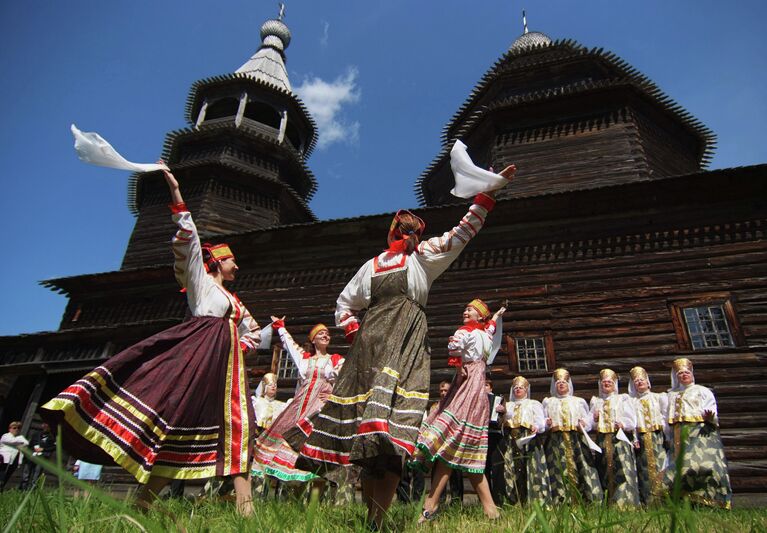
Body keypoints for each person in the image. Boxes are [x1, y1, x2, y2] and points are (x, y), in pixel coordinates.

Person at [297, 162, 515, 529]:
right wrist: (358, 337)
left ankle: (377, 519)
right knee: (368, 435)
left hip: (409, 348)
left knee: (395, 432)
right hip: (370, 350)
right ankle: (373, 520)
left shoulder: (424, 258)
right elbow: (344, 306)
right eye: (404, 227)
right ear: (394, 231)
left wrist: (486, 196)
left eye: (414, 228)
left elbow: (461, 233)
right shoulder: (373, 266)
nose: (409, 232)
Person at [42, 166, 261, 516]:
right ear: (218, 262)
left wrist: (234, 347)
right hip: (196, 361)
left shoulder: (235, 303)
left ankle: (246, 510)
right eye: (233, 260)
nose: (238, 266)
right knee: (178, 425)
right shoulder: (201, 284)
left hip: (225, 370)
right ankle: (144, 503)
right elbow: (189, 240)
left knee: (239, 427)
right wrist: (175, 192)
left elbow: (254, 332)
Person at [412, 300, 505, 521]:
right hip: (471, 383)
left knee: (458, 444)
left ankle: (433, 505)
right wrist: (457, 365)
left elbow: (483, 330)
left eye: (470, 310)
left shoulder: (478, 332)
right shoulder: (474, 332)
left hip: (472, 386)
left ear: (480, 316)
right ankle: (489, 509)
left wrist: (497, 315)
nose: (465, 311)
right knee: (459, 443)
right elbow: (456, 347)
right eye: (465, 309)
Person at [252, 321, 344, 486]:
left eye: (327, 334)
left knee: (309, 440)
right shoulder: (304, 359)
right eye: (321, 333)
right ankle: (288, 484)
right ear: (313, 339)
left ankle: (312, 482)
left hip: (318, 408)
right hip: (299, 406)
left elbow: (344, 379)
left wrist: (332, 393)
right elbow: (290, 345)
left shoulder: (335, 360)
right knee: (287, 435)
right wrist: (280, 327)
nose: (326, 335)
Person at [664, 358, 732, 509]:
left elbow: (712, 409)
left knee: (703, 465)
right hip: (679, 433)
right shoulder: (671, 395)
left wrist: (710, 417)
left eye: (686, 372)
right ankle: (684, 503)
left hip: (701, 432)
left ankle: (711, 500)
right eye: (680, 373)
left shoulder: (702, 390)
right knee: (681, 467)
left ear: (692, 374)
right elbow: (666, 417)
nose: (684, 375)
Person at [542, 368, 603, 504]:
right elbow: (543, 421)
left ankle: (585, 498)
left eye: (564, 382)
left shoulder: (578, 401)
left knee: (581, 466)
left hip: (576, 439)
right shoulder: (549, 402)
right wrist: (547, 423)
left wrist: (584, 423)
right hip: (556, 440)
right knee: (557, 468)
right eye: (558, 382)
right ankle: (561, 499)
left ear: (569, 384)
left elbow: (587, 420)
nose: (561, 384)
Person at [495, 376, 551, 506]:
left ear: (526, 390)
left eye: (521, 388)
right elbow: (501, 423)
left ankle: (534, 500)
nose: (518, 390)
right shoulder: (508, 405)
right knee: (511, 468)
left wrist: (537, 426)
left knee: (530, 467)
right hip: (511, 440)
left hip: (528, 439)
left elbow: (540, 422)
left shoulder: (533, 404)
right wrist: (503, 413)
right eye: (516, 388)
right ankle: (514, 500)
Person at [589, 369, 640, 507]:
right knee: (604, 469)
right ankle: (609, 502)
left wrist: (623, 423)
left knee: (622, 468)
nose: (606, 384)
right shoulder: (596, 401)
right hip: (602, 439)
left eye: (609, 382)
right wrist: (594, 419)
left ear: (614, 384)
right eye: (604, 382)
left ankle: (626, 502)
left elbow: (631, 419)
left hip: (619, 439)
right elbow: (590, 424)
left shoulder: (622, 399)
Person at [628, 366, 668, 506]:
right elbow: (632, 422)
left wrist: (666, 435)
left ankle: (664, 500)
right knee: (644, 468)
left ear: (648, 382)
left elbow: (665, 416)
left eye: (642, 380)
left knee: (662, 466)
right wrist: (634, 438)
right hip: (642, 438)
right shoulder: (632, 402)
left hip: (658, 437)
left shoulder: (659, 397)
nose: (639, 382)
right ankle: (648, 501)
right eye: (636, 381)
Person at [21, 422, 56, 490]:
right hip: (32, 456)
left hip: (41, 457)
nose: (45, 427)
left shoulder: (52, 437)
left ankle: (32, 490)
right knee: (26, 473)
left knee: (36, 475)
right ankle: (23, 489)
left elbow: (53, 447)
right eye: (44, 425)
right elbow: (30, 444)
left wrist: (43, 449)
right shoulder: (36, 434)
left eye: (47, 426)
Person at [0, 421, 29, 491]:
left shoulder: (18, 438)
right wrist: (21, 440)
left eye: (18, 428)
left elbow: (26, 443)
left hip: (14, 460)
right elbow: (12, 441)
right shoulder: (6, 436)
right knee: (1, 474)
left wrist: (21, 442)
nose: (16, 429)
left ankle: (1, 489)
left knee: (7, 475)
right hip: (4, 459)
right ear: (10, 429)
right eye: (14, 428)